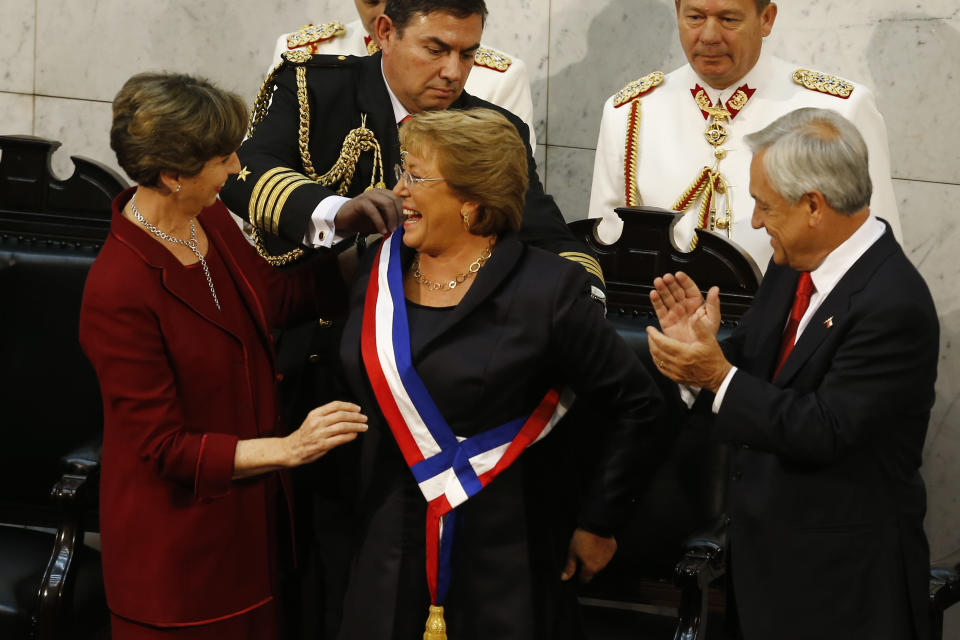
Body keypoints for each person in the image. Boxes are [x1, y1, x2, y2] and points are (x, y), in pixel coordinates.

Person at [336, 107, 663, 639]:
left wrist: (599, 522)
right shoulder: (380, 269)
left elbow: (638, 405)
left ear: (472, 201)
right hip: (383, 537)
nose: (399, 190)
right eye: (403, 172)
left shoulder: (547, 290)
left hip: (505, 549)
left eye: (416, 177)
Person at [78, 72, 369, 639]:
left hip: (249, 530)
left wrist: (364, 244)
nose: (238, 168)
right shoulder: (117, 289)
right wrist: (289, 449)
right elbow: (165, 449)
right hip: (176, 562)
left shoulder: (205, 217)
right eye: (223, 157)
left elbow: (274, 297)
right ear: (172, 174)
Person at [646, 108, 936, 639]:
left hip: (843, 590)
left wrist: (716, 376)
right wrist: (702, 350)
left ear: (813, 206)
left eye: (764, 205)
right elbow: (758, 364)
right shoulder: (791, 263)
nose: (755, 221)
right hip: (764, 567)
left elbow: (824, 429)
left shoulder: (893, 304)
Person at [220, 0, 601, 295]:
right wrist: (338, 213)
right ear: (385, 32)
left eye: (467, 54)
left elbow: (546, 236)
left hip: (441, 344)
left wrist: (584, 294)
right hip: (320, 332)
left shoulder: (496, 128)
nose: (454, 72)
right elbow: (244, 171)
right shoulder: (313, 88)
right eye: (436, 50)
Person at [588, 0, 901, 271]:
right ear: (677, 11)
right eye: (695, 17)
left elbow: (878, 260)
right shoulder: (630, 110)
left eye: (729, 19)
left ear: (766, 19)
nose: (709, 37)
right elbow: (605, 248)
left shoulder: (838, 110)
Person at [270, 0, 537, 145]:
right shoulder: (306, 57)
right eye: (372, 0)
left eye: (466, 55)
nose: (384, 10)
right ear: (388, 31)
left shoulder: (499, 76)